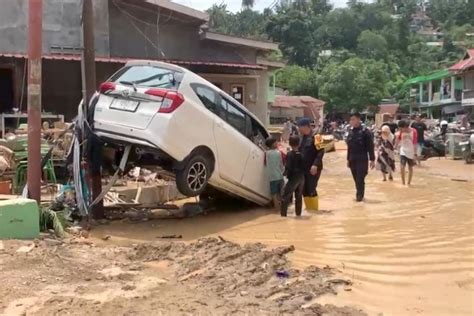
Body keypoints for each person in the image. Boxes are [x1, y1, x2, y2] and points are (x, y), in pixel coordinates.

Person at [297, 118, 325, 212]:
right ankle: (309, 209)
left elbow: (321, 151)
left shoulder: (317, 136)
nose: (299, 129)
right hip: (303, 168)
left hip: (314, 168)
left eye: (300, 127)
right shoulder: (301, 137)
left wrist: (315, 165)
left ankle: (315, 210)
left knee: (311, 188)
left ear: (306, 126)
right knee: (304, 189)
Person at [347, 112, 375, 202]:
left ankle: (359, 197)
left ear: (359, 119)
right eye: (351, 120)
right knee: (355, 178)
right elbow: (349, 147)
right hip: (352, 158)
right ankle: (359, 194)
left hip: (362, 158)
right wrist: (348, 159)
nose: (351, 121)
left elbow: (370, 146)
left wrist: (372, 159)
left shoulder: (365, 132)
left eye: (353, 119)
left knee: (360, 178)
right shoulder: (350, 132)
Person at [281, 136, 305, 217]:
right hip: (301, 177)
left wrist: (284, 174)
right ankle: (298, 215)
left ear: (290, 144)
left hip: (293, 178)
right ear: (299, 144)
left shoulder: (289, 154)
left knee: (285, 196)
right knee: (298, 197)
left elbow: (288, 167)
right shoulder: (301, 154)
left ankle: (283, 216)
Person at [265, 137, 284, 211]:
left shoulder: (267, 153)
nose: (277, 144)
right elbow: (281, 164)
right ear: (273, 144)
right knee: (280, 193)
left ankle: (276, 209)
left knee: (274, 193)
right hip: (279, 176)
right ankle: (282, 208)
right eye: (276, 142)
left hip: (272, 177)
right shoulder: (278, 152)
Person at [395, 120, 418, 186]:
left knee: (410, 167)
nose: (400, 130)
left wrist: (415, 154)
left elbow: (415, 143)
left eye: (401, 128)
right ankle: (403, 183)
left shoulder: (414, 131)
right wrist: (395, 147)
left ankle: (409, 183)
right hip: (403, 151)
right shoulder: (400, 132)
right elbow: (398, 140)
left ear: (405, 127)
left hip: (411, 152)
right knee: (402, 167)